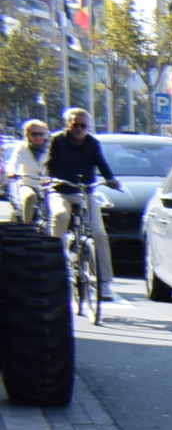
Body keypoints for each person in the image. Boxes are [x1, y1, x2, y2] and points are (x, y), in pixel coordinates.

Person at [46, 109, 121, 301]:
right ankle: (57, 256)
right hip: (61, 190)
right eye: (75, 125)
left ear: (88, 127)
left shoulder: (92, 143)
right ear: (67, 125)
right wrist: (47, 177)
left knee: (99, 233)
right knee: (60, 215)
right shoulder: (57, 140)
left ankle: (104, 283)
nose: (79, 129)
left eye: (83, 125)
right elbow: (48, 162)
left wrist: (111, 179)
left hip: (85, 192)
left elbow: (102, 164)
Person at [5, 119, 50, 225]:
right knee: (29, 197)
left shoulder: (52, 147)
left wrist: (51, 177)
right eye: (34, 134)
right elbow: (13, 161)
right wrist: (12, 172)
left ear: (46, 135)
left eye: (41, 134)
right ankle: (27, 225)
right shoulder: (21, 147)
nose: (38, 137)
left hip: (48, 185)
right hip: (28, 183)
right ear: (27, 135)